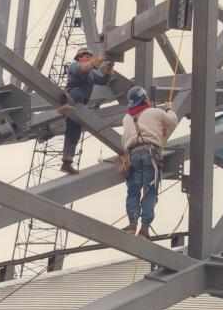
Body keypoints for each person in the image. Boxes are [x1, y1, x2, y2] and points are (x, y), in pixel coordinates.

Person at [122, 86, 178, 239]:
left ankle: (132, 223)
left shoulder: (127, 118)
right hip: (150, 153)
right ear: (145, 99)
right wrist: (169, 109)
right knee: (150, 191)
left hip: (133, 156)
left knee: (133, 191)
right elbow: (172, 121)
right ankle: (144, 229)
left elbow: (124, 140)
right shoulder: (154, 113)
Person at [58, 47, 114, 175]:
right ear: (79, 58)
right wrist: (99, 59)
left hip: (80, 104)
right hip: (74, 96)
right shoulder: (74, 66)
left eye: (90, 56)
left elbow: (104, 81)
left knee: (74, 133)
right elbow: (84, 69)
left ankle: (67, 162)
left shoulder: (91, 73)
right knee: (76, 95)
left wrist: (110, 66)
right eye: (85, 56)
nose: (88, 57)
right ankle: (65, 105)